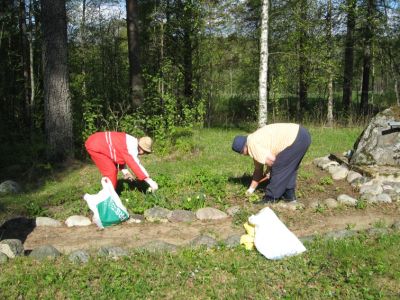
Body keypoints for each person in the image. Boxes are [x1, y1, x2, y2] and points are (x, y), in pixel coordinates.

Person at [232, 123, 311, 203]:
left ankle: (270, 198)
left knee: (279, 167)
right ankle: (289, 195)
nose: (244, 155)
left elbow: (273, 161)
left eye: (243, 153)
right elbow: (258, 171)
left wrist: (270, 171)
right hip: (302, 134)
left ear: (243, 150)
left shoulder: (252, 145)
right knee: (288, 167)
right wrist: (250, 191)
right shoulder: (253, 140)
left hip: (295, 138)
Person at [85, 131, 158, 191]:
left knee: (111, 169)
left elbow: (119, 156)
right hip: (95, 146)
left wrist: (126, 173)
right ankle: (108, 197)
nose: (144, 154)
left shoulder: (130, 141)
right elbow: (136, 166)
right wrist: (150, 181)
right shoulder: (131, 148)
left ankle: (108, 193)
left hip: (96, 141)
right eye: (145, 152)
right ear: (141, 149)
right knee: (111, 171)